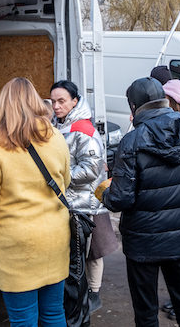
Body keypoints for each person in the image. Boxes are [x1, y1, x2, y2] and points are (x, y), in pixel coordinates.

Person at [97, 77, 180, 327]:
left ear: (134, 106)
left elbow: (121, 198)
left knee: (146, 313)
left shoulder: (132, 141)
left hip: (143, 243)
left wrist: (104, 192)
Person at [0, 77, 71, 327]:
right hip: (55, 237)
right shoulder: (55, 136)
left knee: (23, 319)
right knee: (54, 313)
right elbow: (65, 182)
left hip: (15, 245)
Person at [50, 80, 118, 315]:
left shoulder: (83, 129)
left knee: (92, 252)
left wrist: (59, 179)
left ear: (74, 101)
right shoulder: (58, 125)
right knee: (79, 255)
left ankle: (93, 295)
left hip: (85, 204)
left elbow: (91, 168)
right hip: (69, 202)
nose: (56, 106)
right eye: (53, 101)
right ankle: (81, 297)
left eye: (62, 101)